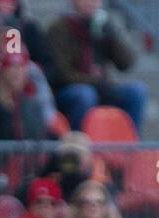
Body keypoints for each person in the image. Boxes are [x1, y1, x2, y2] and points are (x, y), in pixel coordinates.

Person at [47, 0, 144, 132]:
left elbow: (126, 64)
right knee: (85, 94)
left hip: (101, 88)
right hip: (68, 90)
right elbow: (61, 74)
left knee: (136, 91)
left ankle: (129, 148)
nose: (90, 3)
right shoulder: (59, 28)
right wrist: (94, 81)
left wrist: (112, 35)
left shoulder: (102, 26)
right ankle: (79, 147)